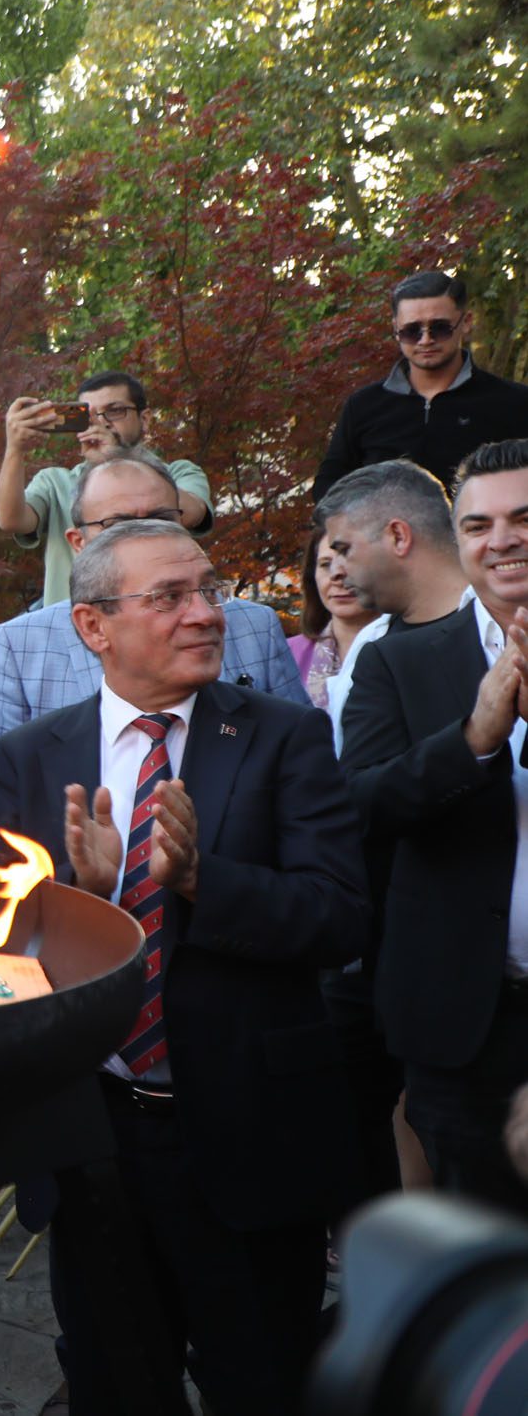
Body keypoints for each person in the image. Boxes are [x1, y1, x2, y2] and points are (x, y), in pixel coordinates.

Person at [0, 518, 367, 1414]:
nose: (206, 613)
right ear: (93, 626)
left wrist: (200, 879)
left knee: (260, 1381)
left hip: (248, 1132)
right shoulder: (31, 758)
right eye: (170, 597)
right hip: (92, 1140)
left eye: (209, 590)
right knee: (116, 1385)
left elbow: (341, 916)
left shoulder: (282, 736)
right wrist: (85, 897)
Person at [340, 438, 528, 1214]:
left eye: (524, 517)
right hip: (463, 1023)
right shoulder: (398, 661)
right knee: (481, 1269)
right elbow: (360, 807)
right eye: (479, 524)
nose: (502, 539)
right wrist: (475, 739)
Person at [0, 450, 305, 850]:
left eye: (162, 518)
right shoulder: (23, 643)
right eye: (119, 526)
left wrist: (201, 879)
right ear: (78, 542)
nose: (146, 534)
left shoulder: (251, 626)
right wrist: (85, 892)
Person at [0, 373, 215, 606]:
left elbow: (191, 514)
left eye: (115, 410)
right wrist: (15, 448)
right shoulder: (54, 482)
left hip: (160, 617)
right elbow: (10, 520)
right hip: (74, 627)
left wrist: (119, 459)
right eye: (87, 415)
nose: (102, 422)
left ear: (145, 419)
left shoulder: (180, 473)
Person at [313, 271, 528, 499]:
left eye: (440, 328)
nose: (426, 340)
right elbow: (328, 489)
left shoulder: (513, 403)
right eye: (412, 331)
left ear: (466, 323)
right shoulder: (364, 406)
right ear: (396, 329)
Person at [317, 460, 475, 736]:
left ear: (398, 536)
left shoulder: (504, 625)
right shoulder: (368, 645)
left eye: (344, 549)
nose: (337, 571)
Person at [289, 531, 380, 715]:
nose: (337, 576)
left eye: (350, 561)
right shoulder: (286, 654)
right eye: (325, 564)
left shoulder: (410, 647)